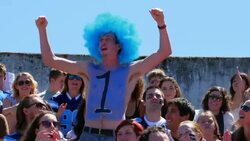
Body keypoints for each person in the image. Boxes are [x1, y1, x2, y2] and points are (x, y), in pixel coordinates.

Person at [36, 7, 172, 141]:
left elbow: (164, 51)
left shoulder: (130, 70)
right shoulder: (87, 69)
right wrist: (42, 30)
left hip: (115, 135)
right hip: (88, 134)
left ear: (119, 45)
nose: (103, 42)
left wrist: (161, 24)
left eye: (108, 39)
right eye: (101, 40)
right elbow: (50, 60)